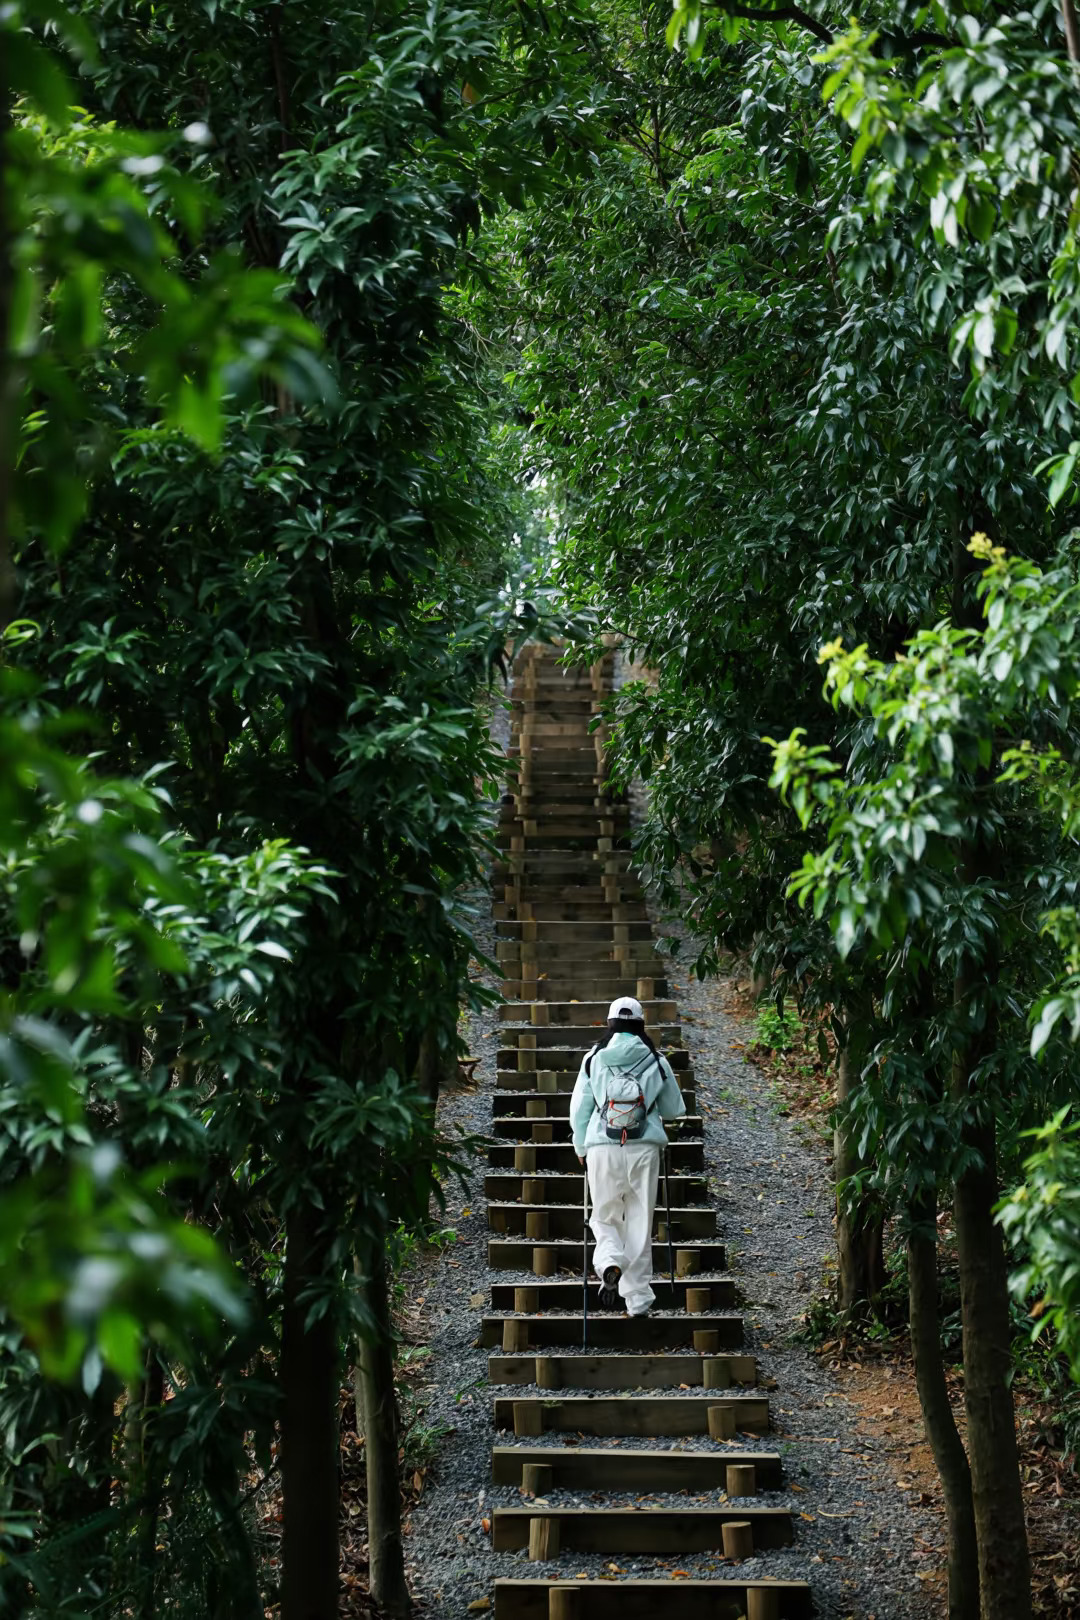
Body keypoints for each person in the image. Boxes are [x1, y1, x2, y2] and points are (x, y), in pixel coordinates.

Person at [569, 994, 686, 1317]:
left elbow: (579, 1109)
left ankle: (608, 1261)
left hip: (602, 1147)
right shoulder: (656, 1060)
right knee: (639, 1220)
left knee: (604, 1215)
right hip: (644, 1148)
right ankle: (637, 1300)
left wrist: (580, 1145)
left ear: (610, 1024)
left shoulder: (594, 1058)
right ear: (640, 1025)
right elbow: (675, 1110)